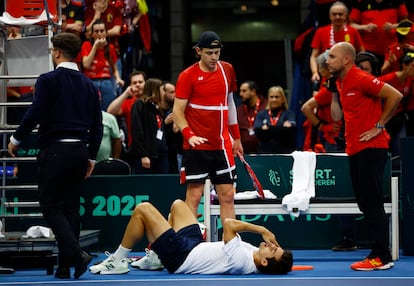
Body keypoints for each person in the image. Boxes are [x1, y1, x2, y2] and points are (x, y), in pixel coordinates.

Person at [7, 32, 103, 279]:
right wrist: (91, 157)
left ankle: (77, 253)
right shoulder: (89, 85)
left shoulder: (47, 80)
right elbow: (98, 124)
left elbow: (36, 112)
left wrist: (16, 138)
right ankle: (64, 267)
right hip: (79, 151)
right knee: (70, 208)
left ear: (57, 52)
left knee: (51, 207)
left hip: (55, 150)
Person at [327, 41, 402, 270]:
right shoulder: (340, 82)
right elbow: (338, 115)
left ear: (346, 59)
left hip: (372, 147)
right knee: (365, 203)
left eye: (332, 56)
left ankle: (381, 256)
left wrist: (379, 125)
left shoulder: (360, 77)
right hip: (355, 148)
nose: (327, 61)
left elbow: (395, 95)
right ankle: (380, 254)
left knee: (372, 203)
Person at [89, 199, 293, 275]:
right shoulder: (253, 253)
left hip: (181, 257)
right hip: (194, 246)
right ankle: (156, 257)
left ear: (265, 262)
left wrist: (261, 229)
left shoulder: (242, 262)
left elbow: (229, 224)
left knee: (143, 209)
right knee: (178, 205)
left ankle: (118, 260)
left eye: (273, 249)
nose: (271, 244)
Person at [172, 31, 243, 221]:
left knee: (227, 195)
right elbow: (177, 111)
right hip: (197, 147)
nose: (214, 57)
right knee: (194, 196)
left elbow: (230, 104)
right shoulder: (187, 76)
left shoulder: (227, 70)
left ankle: (231, 245)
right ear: (198, 51)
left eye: (217, 52)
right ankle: (190, 243)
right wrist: (189, 135)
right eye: (209, 53)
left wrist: (236, 138)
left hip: (222, 146)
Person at [310, 1, 364, 83]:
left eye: (340, 14)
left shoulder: (353, 31)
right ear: (330, 16)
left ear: (346, 16)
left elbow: (362, 52)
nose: (337, 17)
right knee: (326, 95)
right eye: (334, 14)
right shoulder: (320, 32)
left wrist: (361, 68)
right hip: (328, 78)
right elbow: (314, 56)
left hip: (350, 77)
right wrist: (315, 72)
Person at [128, 78, 170, 174]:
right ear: (155, 90)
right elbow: (137, 131)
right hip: (146, 155)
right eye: (162, 90)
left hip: (160, 152)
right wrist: (143, 155)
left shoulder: (157, 107)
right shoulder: (140, 105)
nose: (164, 93)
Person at [81, 19, 124, 111]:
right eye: (96, 31)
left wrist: (118, 78)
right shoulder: (86, 45)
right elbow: (86, 64)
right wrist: (95, 47)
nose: (99, 34)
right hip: (90, 81)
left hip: (106, 81)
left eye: (102, 31)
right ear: (92, 34)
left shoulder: (110, 48)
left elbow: (114, 68)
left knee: (108, 110)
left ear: (106, 33)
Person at [349, 0, 408, 65]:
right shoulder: (361, 2)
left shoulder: (397, 1)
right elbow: (351, 25)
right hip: (368, 50)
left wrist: (393, 26)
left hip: (392, 50)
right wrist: (365, 27)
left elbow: (406, 23)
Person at [107, 70, 146, 148]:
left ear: (146, 83)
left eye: (140, 82)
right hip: (135, 147)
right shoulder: (128, 102)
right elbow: (110, 111)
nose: (137, 85)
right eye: (134, 83)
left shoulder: (153, 100)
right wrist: (126, 94)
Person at [254, 86, 297, 154]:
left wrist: (268, 128)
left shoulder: (289, 114)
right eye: (271, 97)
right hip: (265, 153)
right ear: (268, 98)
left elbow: (290, 131)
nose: (274, 99)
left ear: (283, 99)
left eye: (277, 97)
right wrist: (281, 128)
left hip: (285, 153)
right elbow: (258, 132)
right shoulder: (261, 114)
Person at [236, 81, 267, 154]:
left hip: (264, 153)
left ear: (253, 91)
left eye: (244, 91)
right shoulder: (239, 110)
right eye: (240, 91)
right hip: (244, 153)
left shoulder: (266, 107)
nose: (240, 94)